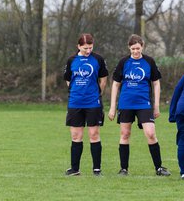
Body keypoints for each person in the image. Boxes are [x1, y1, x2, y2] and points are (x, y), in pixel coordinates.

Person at [108, 34, 171, 176]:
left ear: (142, 47)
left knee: (150, 133)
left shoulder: (149, 61)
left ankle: (159, 168)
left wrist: (156, 105)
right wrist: (112, 107)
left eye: (138, 48)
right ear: (129, 48)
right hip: (126, 104)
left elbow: (156, 83)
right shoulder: (123, 62)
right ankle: (124, 169)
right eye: (133, 49)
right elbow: (116, 84)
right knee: (125, 134)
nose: (135, 51)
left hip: (144, 103)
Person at [64, 33, 108, 176]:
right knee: (76, 136)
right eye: (85, 48)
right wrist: (76, 91)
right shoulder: (71, 60)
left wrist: (96, 94)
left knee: (94, 134)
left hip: (93, 102)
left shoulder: (98, 59)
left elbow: (103, 79)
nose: (88, 51)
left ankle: (97, 169)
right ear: (78, 46)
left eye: (90, 47)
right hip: (75, 102)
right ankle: (75, 169)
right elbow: (68, 80)